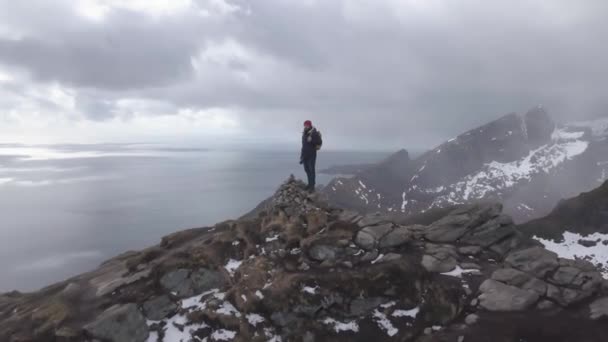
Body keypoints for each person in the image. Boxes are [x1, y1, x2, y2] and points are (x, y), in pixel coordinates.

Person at [300, 120, 322, 192]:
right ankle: (309, 184)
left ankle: (312, 186)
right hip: (305, 155)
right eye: (305, 125)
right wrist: (301, 156)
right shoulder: (304, 134)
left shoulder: (314, 133)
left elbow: (319, 142)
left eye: (306, 125)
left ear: (310, 125)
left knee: (311, 170)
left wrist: (312, 140)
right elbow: (303, 146)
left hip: (312, 155)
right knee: (307, 170)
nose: (305, 126)